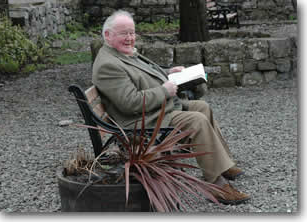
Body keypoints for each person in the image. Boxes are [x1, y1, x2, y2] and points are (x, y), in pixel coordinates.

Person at [92, 10, 250, 205]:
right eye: (124, 33)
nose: (130, 38)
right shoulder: (108, 65)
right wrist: (164, 91)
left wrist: (168, 73)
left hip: (156, 110)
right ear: (108, 35)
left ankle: (222, 164)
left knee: (201, 107)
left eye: (132, 33)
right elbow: (130, 102)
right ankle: (216, 184)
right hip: (141, 121)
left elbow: (143, 76)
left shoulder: (119, 53)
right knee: (196, 120)